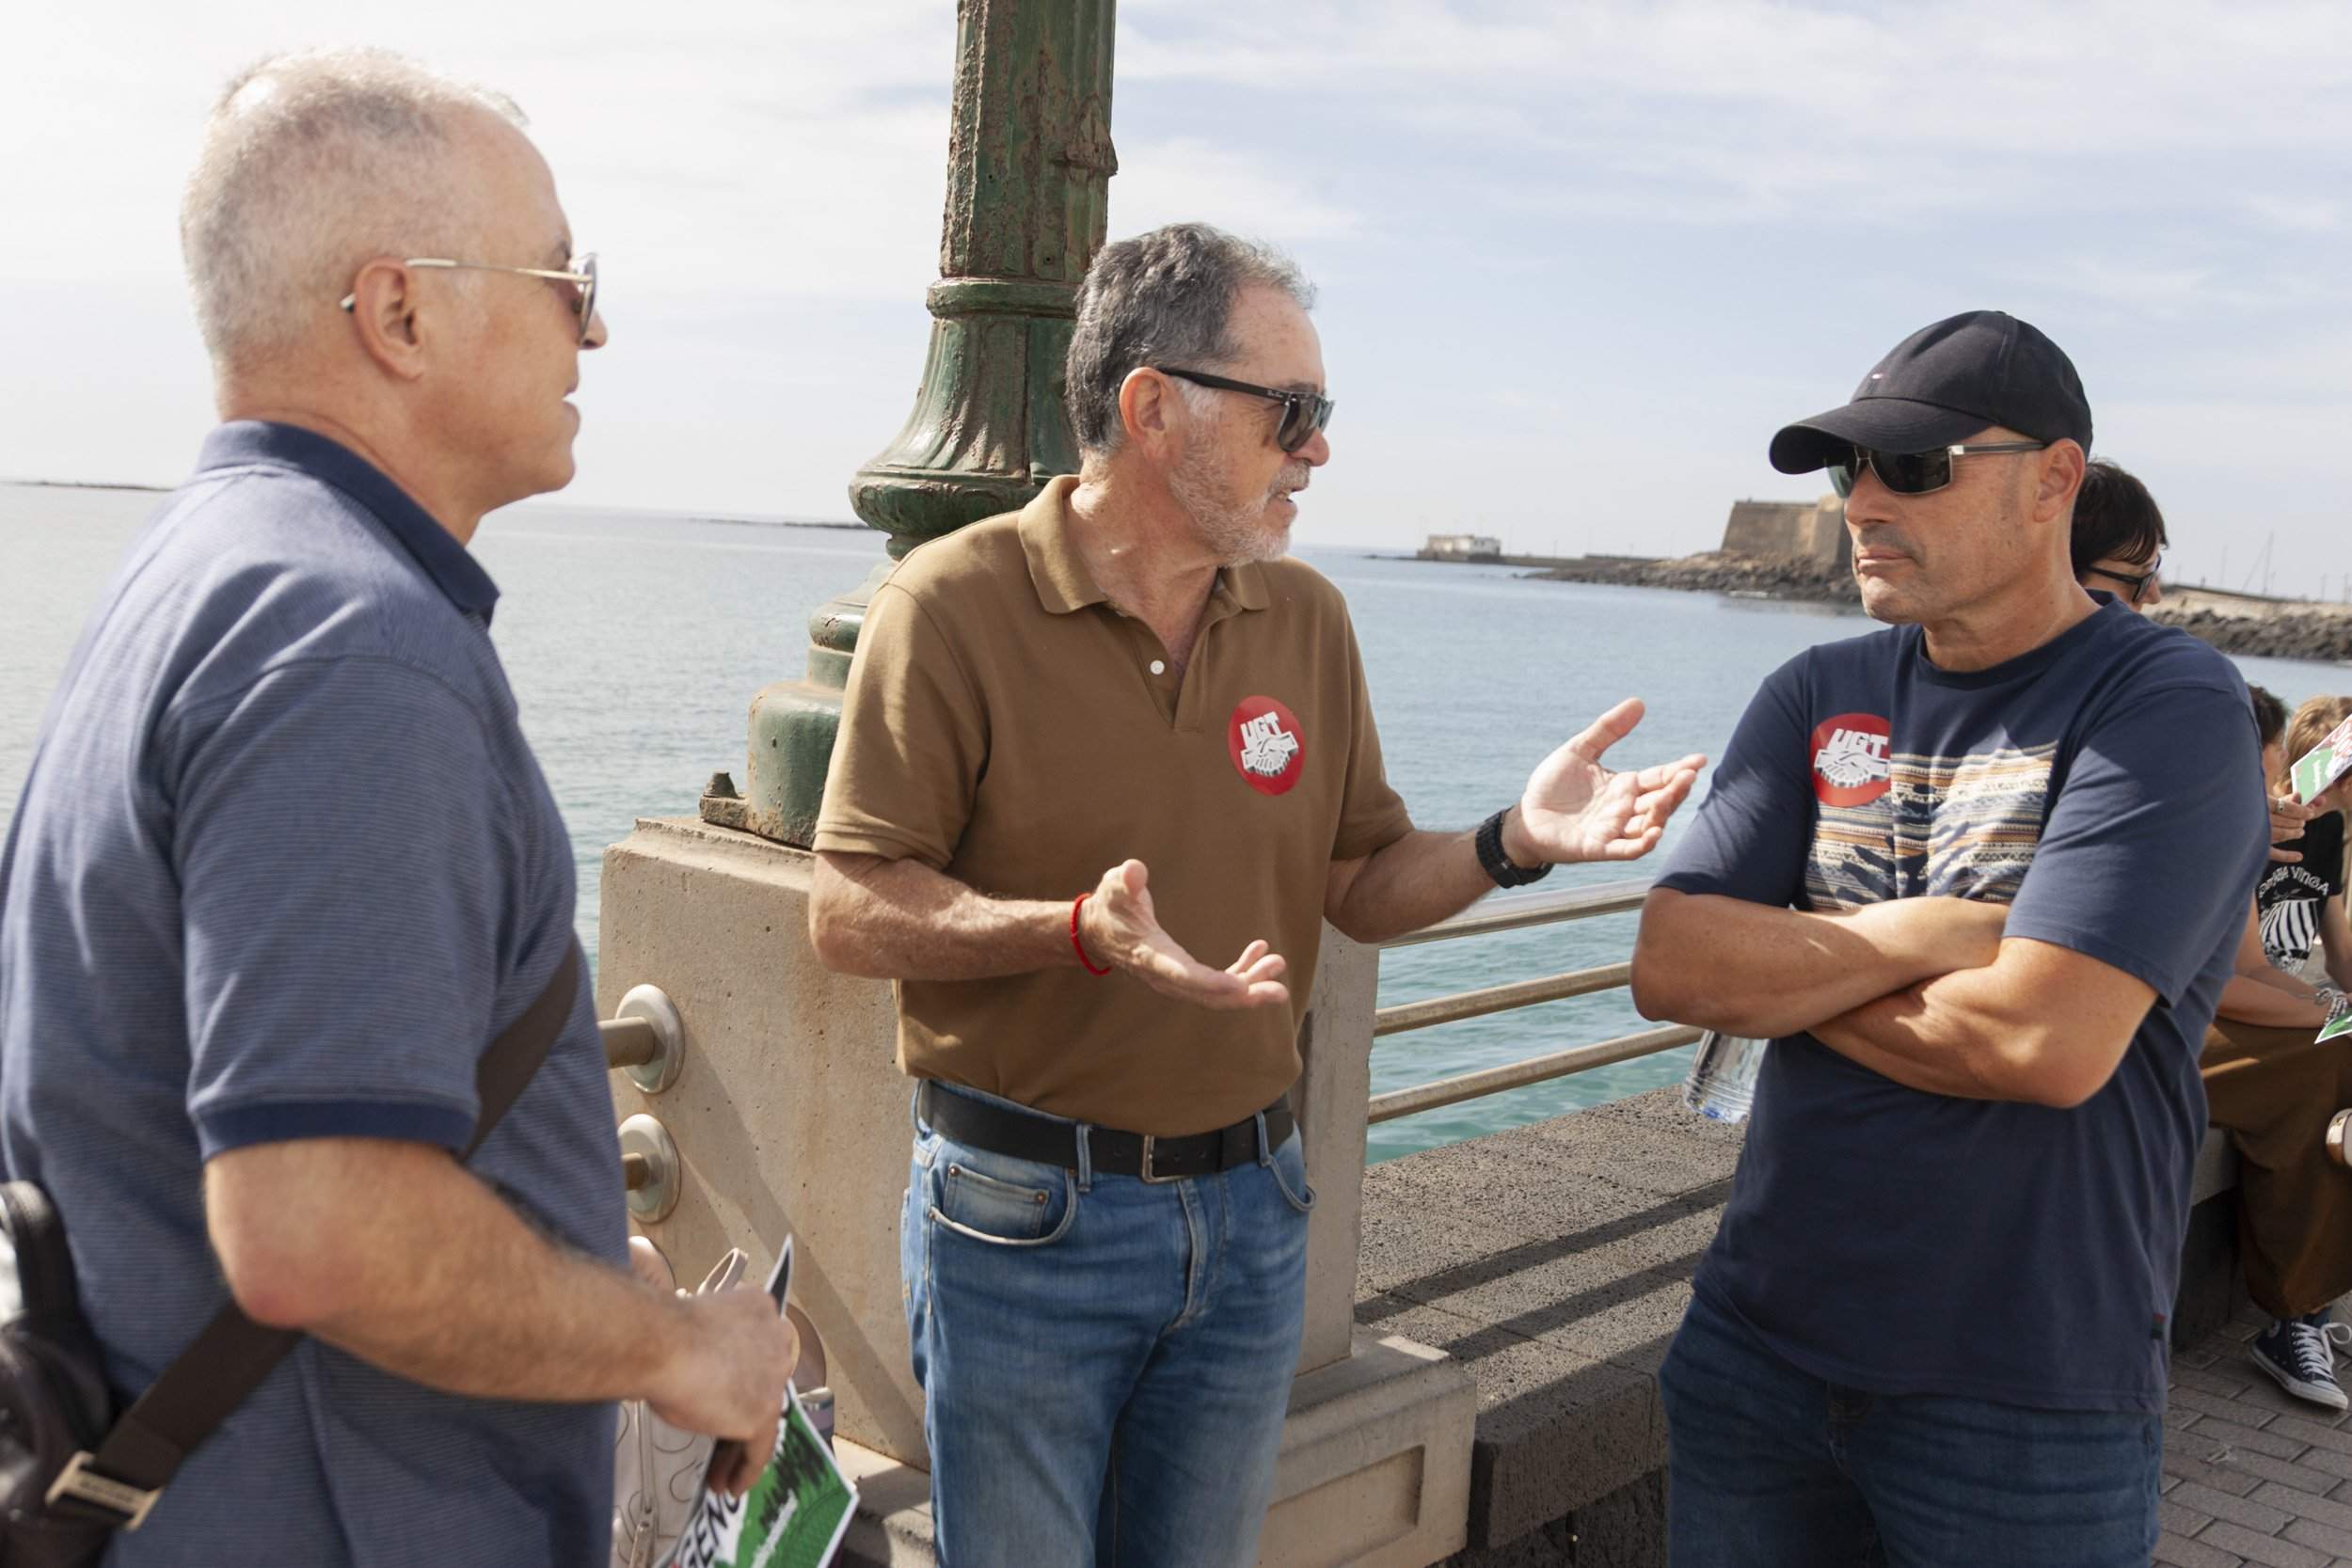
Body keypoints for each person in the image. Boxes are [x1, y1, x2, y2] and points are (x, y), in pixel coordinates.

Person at [805, 221, 1705, 1566]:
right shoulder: (950, 606)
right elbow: (849, 906)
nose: (1320, 448)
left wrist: (1514, 837)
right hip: (1022, 1219)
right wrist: (1069, 931)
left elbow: (1359, 880)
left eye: (1319, 413)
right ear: (1152, 407)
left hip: (1251, 1215)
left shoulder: (1306, 619)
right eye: (1294, 410)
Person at [0, 50, 792, 1563]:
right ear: (400, 310)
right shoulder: (352, 646)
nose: (597, 324)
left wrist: (551, 1268)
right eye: (567, 276)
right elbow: (319, 1227)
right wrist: (673, 1347)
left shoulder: (202, 572)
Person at [1631, 309, 2268, 1567]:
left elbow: (2043, 1040)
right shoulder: (1815, 690)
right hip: (1754, 1348)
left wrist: (1797, 967)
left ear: (2054, 480)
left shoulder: (2166, 703)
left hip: (2027, 1389)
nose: (1864, 500)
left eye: (1914, 467)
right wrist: (1926, 933)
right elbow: (1673, 963)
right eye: (1847, 469)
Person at [2203, 692, 2352, 1406]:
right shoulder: (2228, 825)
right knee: (2329, 1059)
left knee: (2337, 1058)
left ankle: (2313, 1307)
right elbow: (2231, 984)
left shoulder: (2313, 834)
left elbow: (2311, 957)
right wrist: (2334, 1011)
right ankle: (2297, 1316)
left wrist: (2340, 1005)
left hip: (2250, 1010)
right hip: (2176, 1025)